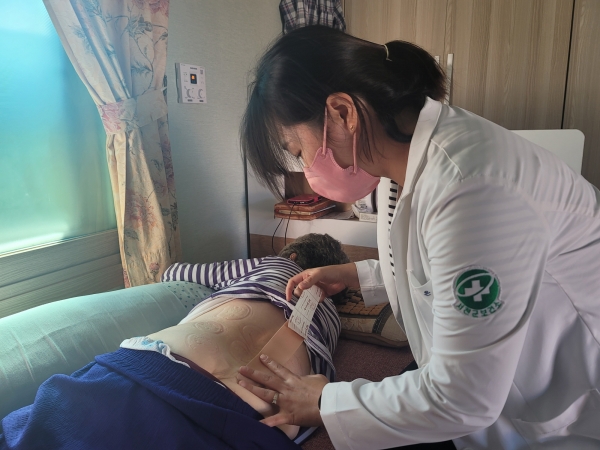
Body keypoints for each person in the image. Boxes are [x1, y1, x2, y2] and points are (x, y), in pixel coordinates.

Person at [237, 25, 600, 450]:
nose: (306, 168)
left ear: (342, 113)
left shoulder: (472, 187)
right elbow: (436, 265)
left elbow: (463, 397)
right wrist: (354, 274)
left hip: (562, 409)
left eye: (298, 149)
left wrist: (323, 401)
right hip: (484, 380)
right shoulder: (406, 162)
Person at [0, 233, 349, 450]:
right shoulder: (332, 320)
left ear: (293, 258)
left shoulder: (273, 265)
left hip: (160, 365)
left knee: (50, 427)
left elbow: (175, 272)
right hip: (255, 418)